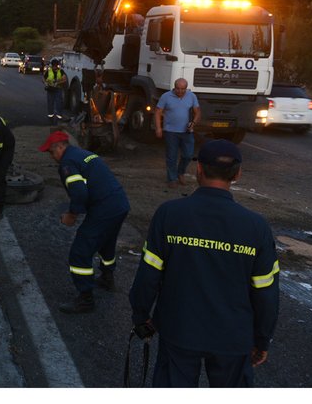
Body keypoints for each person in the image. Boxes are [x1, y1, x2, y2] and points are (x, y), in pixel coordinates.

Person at [128, 139, 279, 387]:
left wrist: (141, 314)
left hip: (179, 330)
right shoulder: (256, 227)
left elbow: (148, 274)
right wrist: (262, 340)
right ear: (238, 174)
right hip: (232, 336)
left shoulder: (169, 214)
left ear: (198, 170)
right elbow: (266, 292)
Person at [38, 130, 130, 313]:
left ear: (61, 147)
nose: (51, 156)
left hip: (104, 207)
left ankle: (85, 298)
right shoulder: (84, 154)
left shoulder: (67, 162)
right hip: (120, 203)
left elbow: (79, 192)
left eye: (51, 152)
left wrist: (72, 214)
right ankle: (107, 277)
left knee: (80, 252)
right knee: (107, 242)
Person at [155, 78, 201, 188]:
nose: (180, 91)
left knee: (188, 155)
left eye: (183, 89)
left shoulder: (192, 96)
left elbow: (198, 112)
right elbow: (157, 112)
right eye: (178, 89)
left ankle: (180, 172)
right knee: (171, 156)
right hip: (171, 131)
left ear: (186, 88)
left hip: (187, 131)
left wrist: (193, 123)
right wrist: (158, 128)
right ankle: (172, 178)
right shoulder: (166, 96)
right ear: (174, 87)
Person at [43, 58, 68, 123]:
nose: (54, 67)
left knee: (59, 103)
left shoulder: (61, 71)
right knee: (50, 103)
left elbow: (65, 79)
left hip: (58, 89)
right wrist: (45, 83)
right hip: (50, 89)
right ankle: (51, 116)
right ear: (52, 65)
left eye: (56, 65)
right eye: (53, 65)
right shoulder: (49, 71)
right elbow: (43, 78)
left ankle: (59, 116)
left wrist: (58, 82)